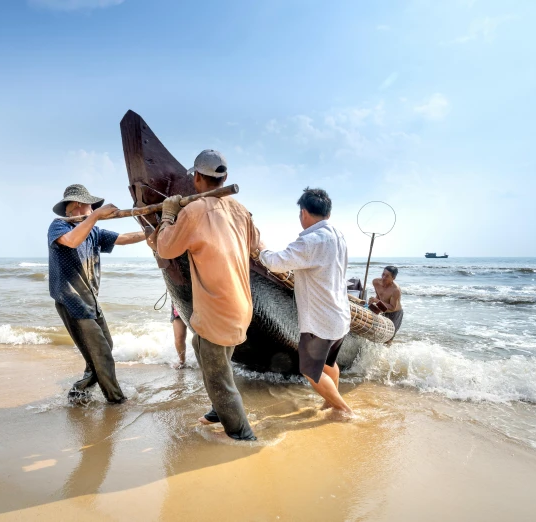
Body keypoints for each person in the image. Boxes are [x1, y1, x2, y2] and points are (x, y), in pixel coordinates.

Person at [155, 149, 259, 441]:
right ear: (224, 178)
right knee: (200, 345)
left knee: (219, 377)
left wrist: (168, 216)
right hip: (240, 307)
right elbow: (256, 243)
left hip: (215, 309)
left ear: (197, 178)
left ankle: (241, 435)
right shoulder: (240, 210)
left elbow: (166, 248)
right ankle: (217, 410)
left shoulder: (193, 211)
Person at [257, 188, 353, 417]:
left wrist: (261, 248)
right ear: (328, 214)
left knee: (310, 370)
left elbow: (276, 262)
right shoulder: (338, 236)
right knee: (328, 364)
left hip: (320, 321)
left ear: (303, 213)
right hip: (339, 315)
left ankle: (344, 410)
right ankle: (331, 403)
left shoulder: (311, 241)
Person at [48, 184, 146, 404]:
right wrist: (97, 216)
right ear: (75, 208)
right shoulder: (58, 226)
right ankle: (116, 399)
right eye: (89, 206)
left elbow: (124, 238)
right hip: (71, 300)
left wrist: (153, 232)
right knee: (101, 352)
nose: (92, 209)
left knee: (105, 347)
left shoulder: (93, 231)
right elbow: (72, 241)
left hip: (89, 298)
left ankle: (79, 392)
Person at [370, 266, 403, 342]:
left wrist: (377, 301)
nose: (383, 277)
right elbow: (379, 296)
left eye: (387, 276)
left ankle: (387, 353)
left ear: (393, 278)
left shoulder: (395, 290)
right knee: (377, 335)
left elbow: (392, 307)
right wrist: (373, 302)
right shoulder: (375, 282)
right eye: (383, 274)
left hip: (395, 314)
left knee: (388, 338)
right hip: (382, 310)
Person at [171, 304, 187, 369]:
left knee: (199, 337)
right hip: (178, 304)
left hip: (198, 302)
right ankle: (182, 361)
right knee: (179, 338)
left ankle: (203, 361)